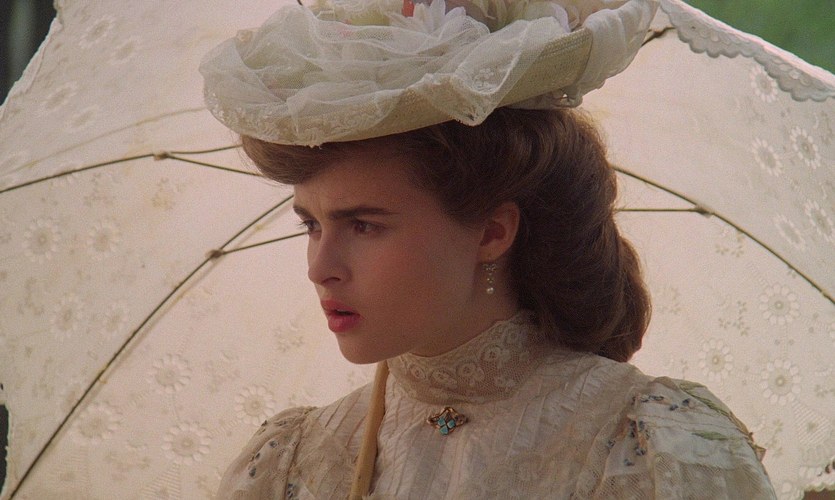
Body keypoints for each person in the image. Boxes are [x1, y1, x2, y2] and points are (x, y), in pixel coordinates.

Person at [200, 0, 776, 497]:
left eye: (364, 226)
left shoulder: (645, 450)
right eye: (311, 225)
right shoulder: (296, 462)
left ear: (492, 232)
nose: (320, 269)